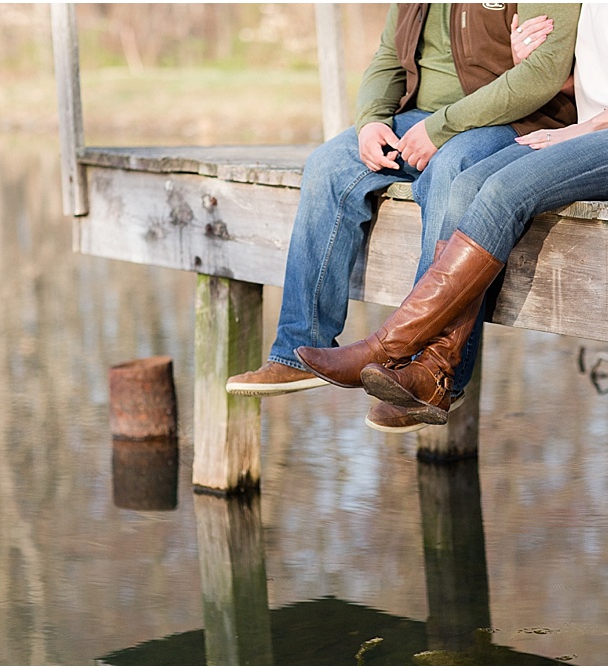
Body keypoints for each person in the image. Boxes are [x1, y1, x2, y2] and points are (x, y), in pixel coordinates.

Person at [295, 3, 608, 428]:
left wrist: (586, 128)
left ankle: (389, 346)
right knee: (467, 183)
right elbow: (607, 79)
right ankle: (433, 372)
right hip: (604, 135)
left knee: (504, 190)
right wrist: (533, 65)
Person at [226, 4, 581, 432]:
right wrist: (371, 121)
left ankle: (428, 375)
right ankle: (298, 349)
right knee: (327, 165)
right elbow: (388, 58)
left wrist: (442, 128)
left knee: (451, 172)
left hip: (514, 123)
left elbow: (541, 76)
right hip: (420, 121)